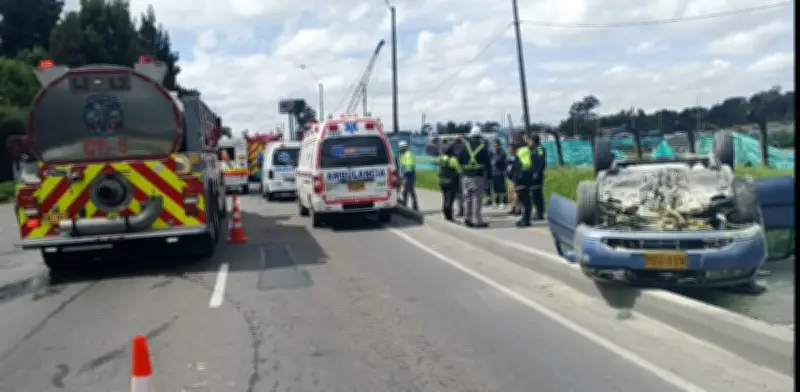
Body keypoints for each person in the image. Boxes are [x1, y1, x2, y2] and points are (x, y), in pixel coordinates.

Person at [457, 126, 491, 227]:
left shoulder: (464, 147)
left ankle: (467, 218)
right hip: (478, 176)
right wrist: (489, 177)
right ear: (479, 136)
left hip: (466, 176)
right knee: (477, 198)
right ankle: (477, 220)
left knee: (467, 198)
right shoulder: (482, 148)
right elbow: (488, 164)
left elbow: (459, 160)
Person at [437, 144, 462, 221]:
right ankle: (449, 216)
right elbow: (459, 170)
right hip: (451, 181)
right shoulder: (452, 159)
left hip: (442, 181)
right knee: (450, 199)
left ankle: (445, 214)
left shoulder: (441, 158)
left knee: (444, 198)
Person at [529, 134, 547, 221]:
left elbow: (540, 160)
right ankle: (538, 211)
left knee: (537, 194)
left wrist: (536, 171)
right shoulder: (533, 149)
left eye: (530, 141)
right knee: (534, 194)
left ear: (533, 141)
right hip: (533, 174)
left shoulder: (539, 149)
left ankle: (540, 213)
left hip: (537, 174)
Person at [397, 141, 419, 211]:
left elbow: (409, 166)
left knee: (405, 191)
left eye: (400, 148)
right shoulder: (404, 154)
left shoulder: (408, 154)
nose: (400, 149)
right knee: (410, 190)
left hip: (409, 175)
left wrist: (403, 174)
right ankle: (414, 206)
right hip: (408, 175)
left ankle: (405, 205)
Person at [489, 140, 508, 209]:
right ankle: (496, 202)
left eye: (496, 145)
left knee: (501, 188)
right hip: (493, 173)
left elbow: (504, 163)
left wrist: (504, 171)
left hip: (500, 172)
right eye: (494, 146)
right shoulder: (492, 153)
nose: (495, 147)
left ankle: (502, 202)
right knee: (495, 188)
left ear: (500, 146)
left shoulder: (502, 153)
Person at [505, 143, 521, 215]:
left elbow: (516, 168)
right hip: (509, 178)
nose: (509, 150)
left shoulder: (517, 158)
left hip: (515, 178)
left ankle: (518, 209)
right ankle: (513, 208)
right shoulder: (508, 158)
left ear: (514, 150)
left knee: (515, 194)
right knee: (510, 194)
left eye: (510, 149)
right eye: (508, 149)